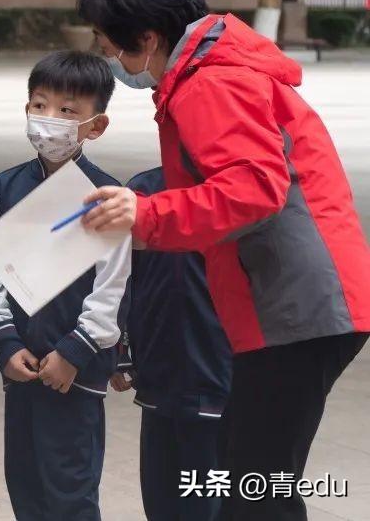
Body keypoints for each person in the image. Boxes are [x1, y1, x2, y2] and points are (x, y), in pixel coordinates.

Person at [78, 0, 370, 521]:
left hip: (301, 305)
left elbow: (253, 188)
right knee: (255, 474)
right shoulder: (212, 69)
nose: (107, 56)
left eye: (106, 42)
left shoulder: (211, 82)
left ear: (146, 36)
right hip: (302, 301)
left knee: (253, 485)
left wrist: (145, 214)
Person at [0, 51, 132, 521]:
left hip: (76, 373)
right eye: (39, 105)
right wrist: (4, 343)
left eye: (67, 111)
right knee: (24, 483)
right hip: (20, 364)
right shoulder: (2, 190)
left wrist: (74, 352)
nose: (49, 120)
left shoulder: (107, 196)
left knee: (70, 489)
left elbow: (112, 288)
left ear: (95, 126)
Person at [111, 167, 232, 521]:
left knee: (206, 494)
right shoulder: (143, 189)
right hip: (158, 370)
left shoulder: (234, 195)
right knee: (160, 492)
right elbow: (121, 279)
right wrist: (122, 351)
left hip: (217, 371)